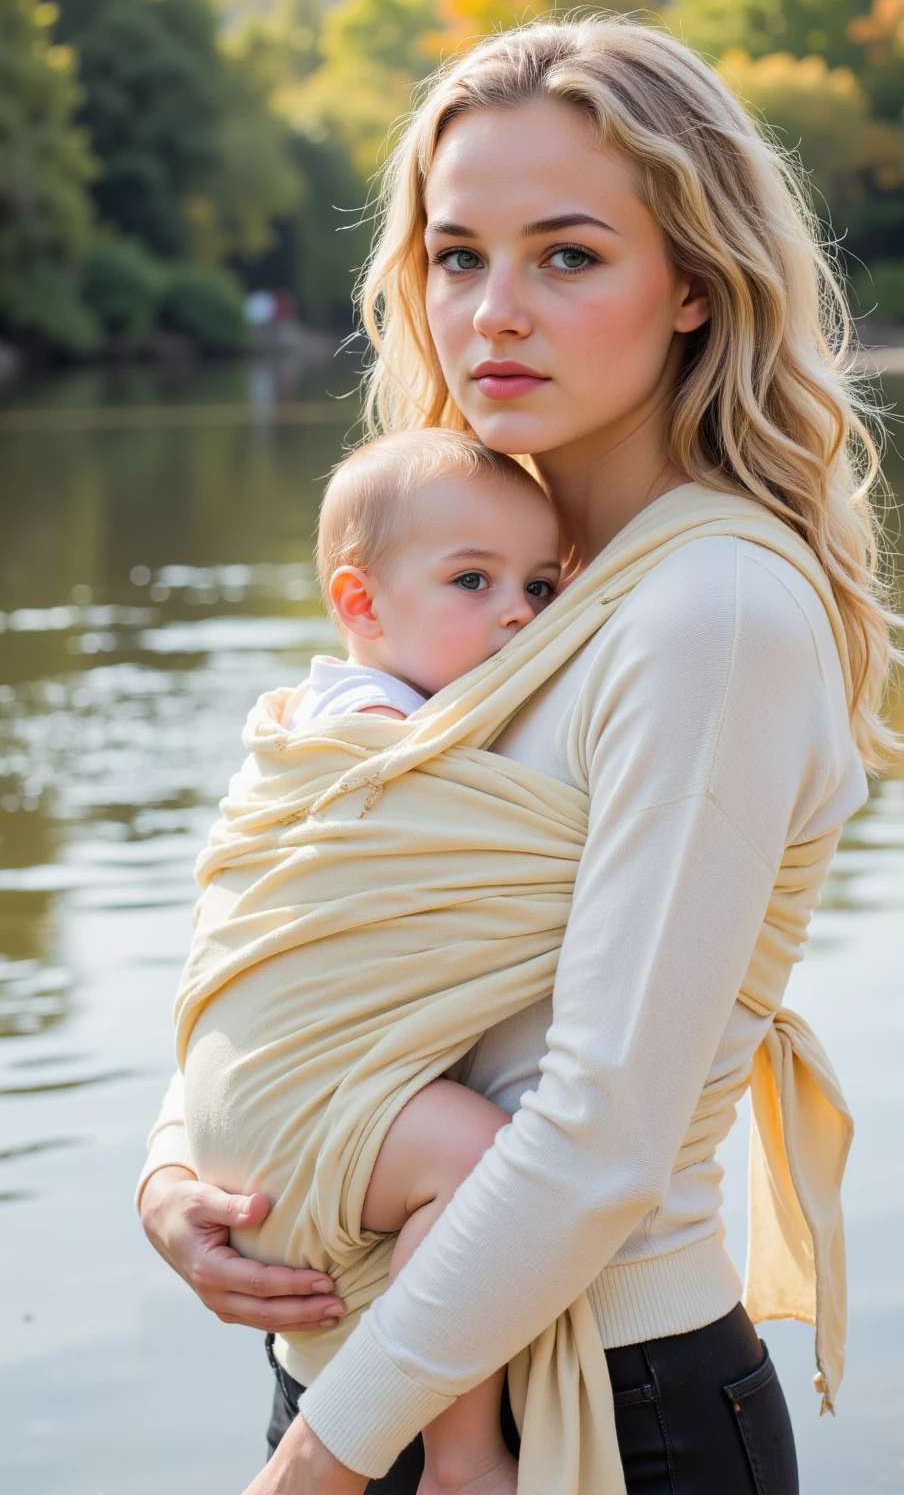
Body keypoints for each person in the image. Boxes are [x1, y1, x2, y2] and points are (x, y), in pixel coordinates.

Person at [138, 16, 904, 1495]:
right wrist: (177, 1168)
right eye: (456, 256)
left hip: (596, 1408)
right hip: (359, 1385)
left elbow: (600, 1138)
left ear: (694, 284)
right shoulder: (480, 587)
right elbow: (300, 932)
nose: (492, 312)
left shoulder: (709, 611)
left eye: (566, 255)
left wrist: (314, 1469)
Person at [178, 427, 562, 1495]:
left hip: (257, 1107)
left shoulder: (361, 709)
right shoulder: (378, 728)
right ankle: (463, 1458)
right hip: (299, 1101)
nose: (520, 613)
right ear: (361, 604)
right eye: (473, 581)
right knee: (482, 1165)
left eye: (540, 584)